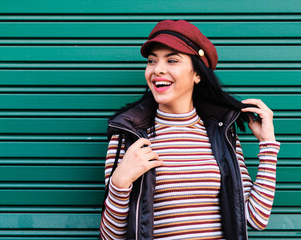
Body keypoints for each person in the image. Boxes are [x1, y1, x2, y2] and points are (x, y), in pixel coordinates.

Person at [99, 20, 280, 240]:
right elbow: (111, 237)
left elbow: (256, 218)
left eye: (172, 60)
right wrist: (119, 183)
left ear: (197, 74)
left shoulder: (221, 134)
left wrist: (268, 144)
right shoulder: (129, 136)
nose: (158, 70)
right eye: (151, 61)